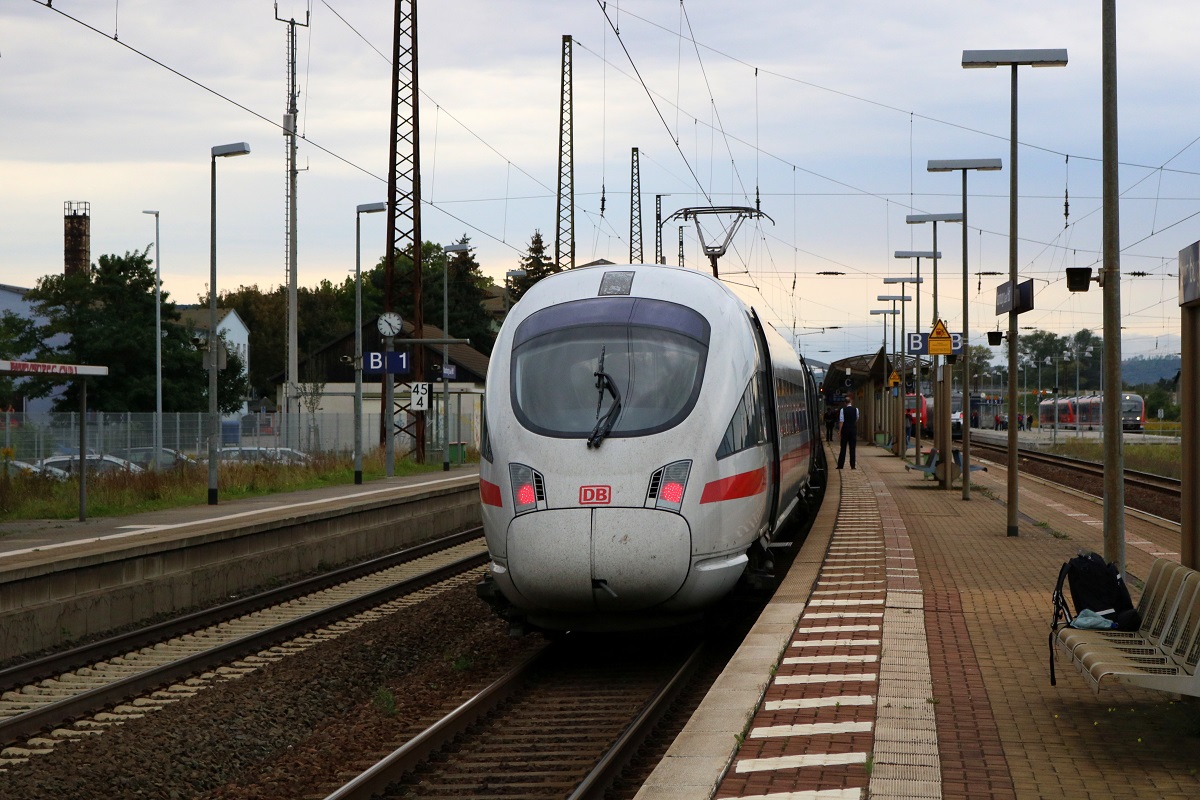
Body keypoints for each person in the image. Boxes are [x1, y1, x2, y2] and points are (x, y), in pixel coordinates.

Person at [837, 396, 858, 470]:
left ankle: (840, 465)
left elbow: (841, 421)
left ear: (845, 403)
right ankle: (853, 465)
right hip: (853, 430)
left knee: (843, 448)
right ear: (850, 402)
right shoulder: (856, 410)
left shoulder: (843, 410)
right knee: (852, 448)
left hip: (845, 431)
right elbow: (856, 419)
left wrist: (839, 431)